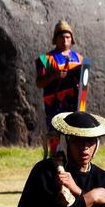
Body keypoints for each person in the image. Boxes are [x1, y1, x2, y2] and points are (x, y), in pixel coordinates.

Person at [36, 21, 84, 155]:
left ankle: (75, 160)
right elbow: (39, 83)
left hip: (75, 104)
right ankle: (55, 163)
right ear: (55, 39)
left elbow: (84, 82)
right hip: (54, 104)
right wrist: (55, 76)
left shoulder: (79, 58)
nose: (65, 40)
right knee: (55, 135)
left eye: (67, 37)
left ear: (72, 39)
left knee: (75, 134)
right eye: (61, 37)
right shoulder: (45, 59)